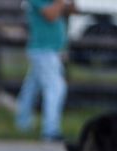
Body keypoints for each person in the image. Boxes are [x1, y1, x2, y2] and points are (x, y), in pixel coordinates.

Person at [15, 0, 76, 142]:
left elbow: (72, 10)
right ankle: (50, 131)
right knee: (56, 88)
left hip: (51, 50)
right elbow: (51, 15)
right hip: (43, 50)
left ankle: (22, 125)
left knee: (30, 89)